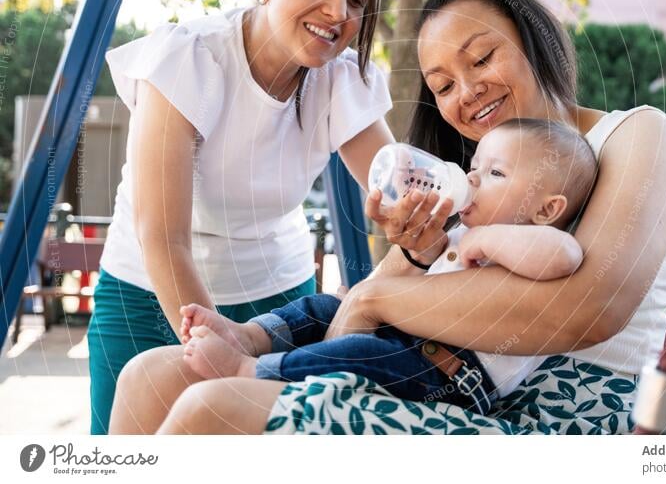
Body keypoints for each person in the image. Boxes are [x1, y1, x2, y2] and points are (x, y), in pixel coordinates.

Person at [109, 0, 666, 436]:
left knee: (216, 408)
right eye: (441, 86)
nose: (465, 92)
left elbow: (588, 306)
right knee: (152, 375)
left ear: (534, 41)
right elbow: (375, 294)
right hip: (440, 378)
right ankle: (254, 345)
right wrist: (412, 254)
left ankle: (255, 364)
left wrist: (377, 295)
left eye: (482, 59)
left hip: (562, 411)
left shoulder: (635, 135)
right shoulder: (481, 182)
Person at [87, 0, 393, 435]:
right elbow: (163, 237)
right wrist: (216, 347)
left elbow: (401, 189)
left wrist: (431, 215)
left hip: (276, 296)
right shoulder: (190, 57)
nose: (338, 10)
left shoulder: (341, 80)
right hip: (149, 292)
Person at [170, 119, 597, 415]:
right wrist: (424, 250)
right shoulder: (466, 231)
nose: (471, 181)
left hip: (449, 375)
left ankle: (250, 372)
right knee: (323, 307)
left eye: (496, 173)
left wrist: (487, 239)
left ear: (546, 209)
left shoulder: (536, 239)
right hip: (407, 337)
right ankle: (249, 336)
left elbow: (566, 257)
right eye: (473, 168)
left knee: (360, 353)